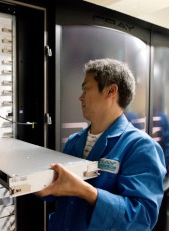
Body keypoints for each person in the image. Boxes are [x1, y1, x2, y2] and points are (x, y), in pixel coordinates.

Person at [37, 58, 166, 231]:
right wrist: (40, 185)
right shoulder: (75, 141)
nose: (80, 96)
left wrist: (85, 191)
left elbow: (142, 218)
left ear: (111, 91)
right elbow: (63, 197)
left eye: (85, 88)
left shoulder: (140, 147)